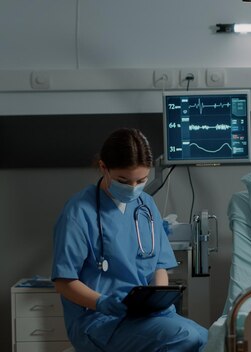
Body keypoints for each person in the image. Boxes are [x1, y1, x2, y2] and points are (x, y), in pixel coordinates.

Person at [51, 128, 208, 351]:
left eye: (141, 180)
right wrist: (101, 302)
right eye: (124, 180)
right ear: (103, 167)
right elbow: (63, 282)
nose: (134, 188)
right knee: (184, 337)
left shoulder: (146, 205)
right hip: (99, 321)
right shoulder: (78, 212)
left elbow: (159, 266)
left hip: (144, 316)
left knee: (210, 339)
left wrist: (158, 299)